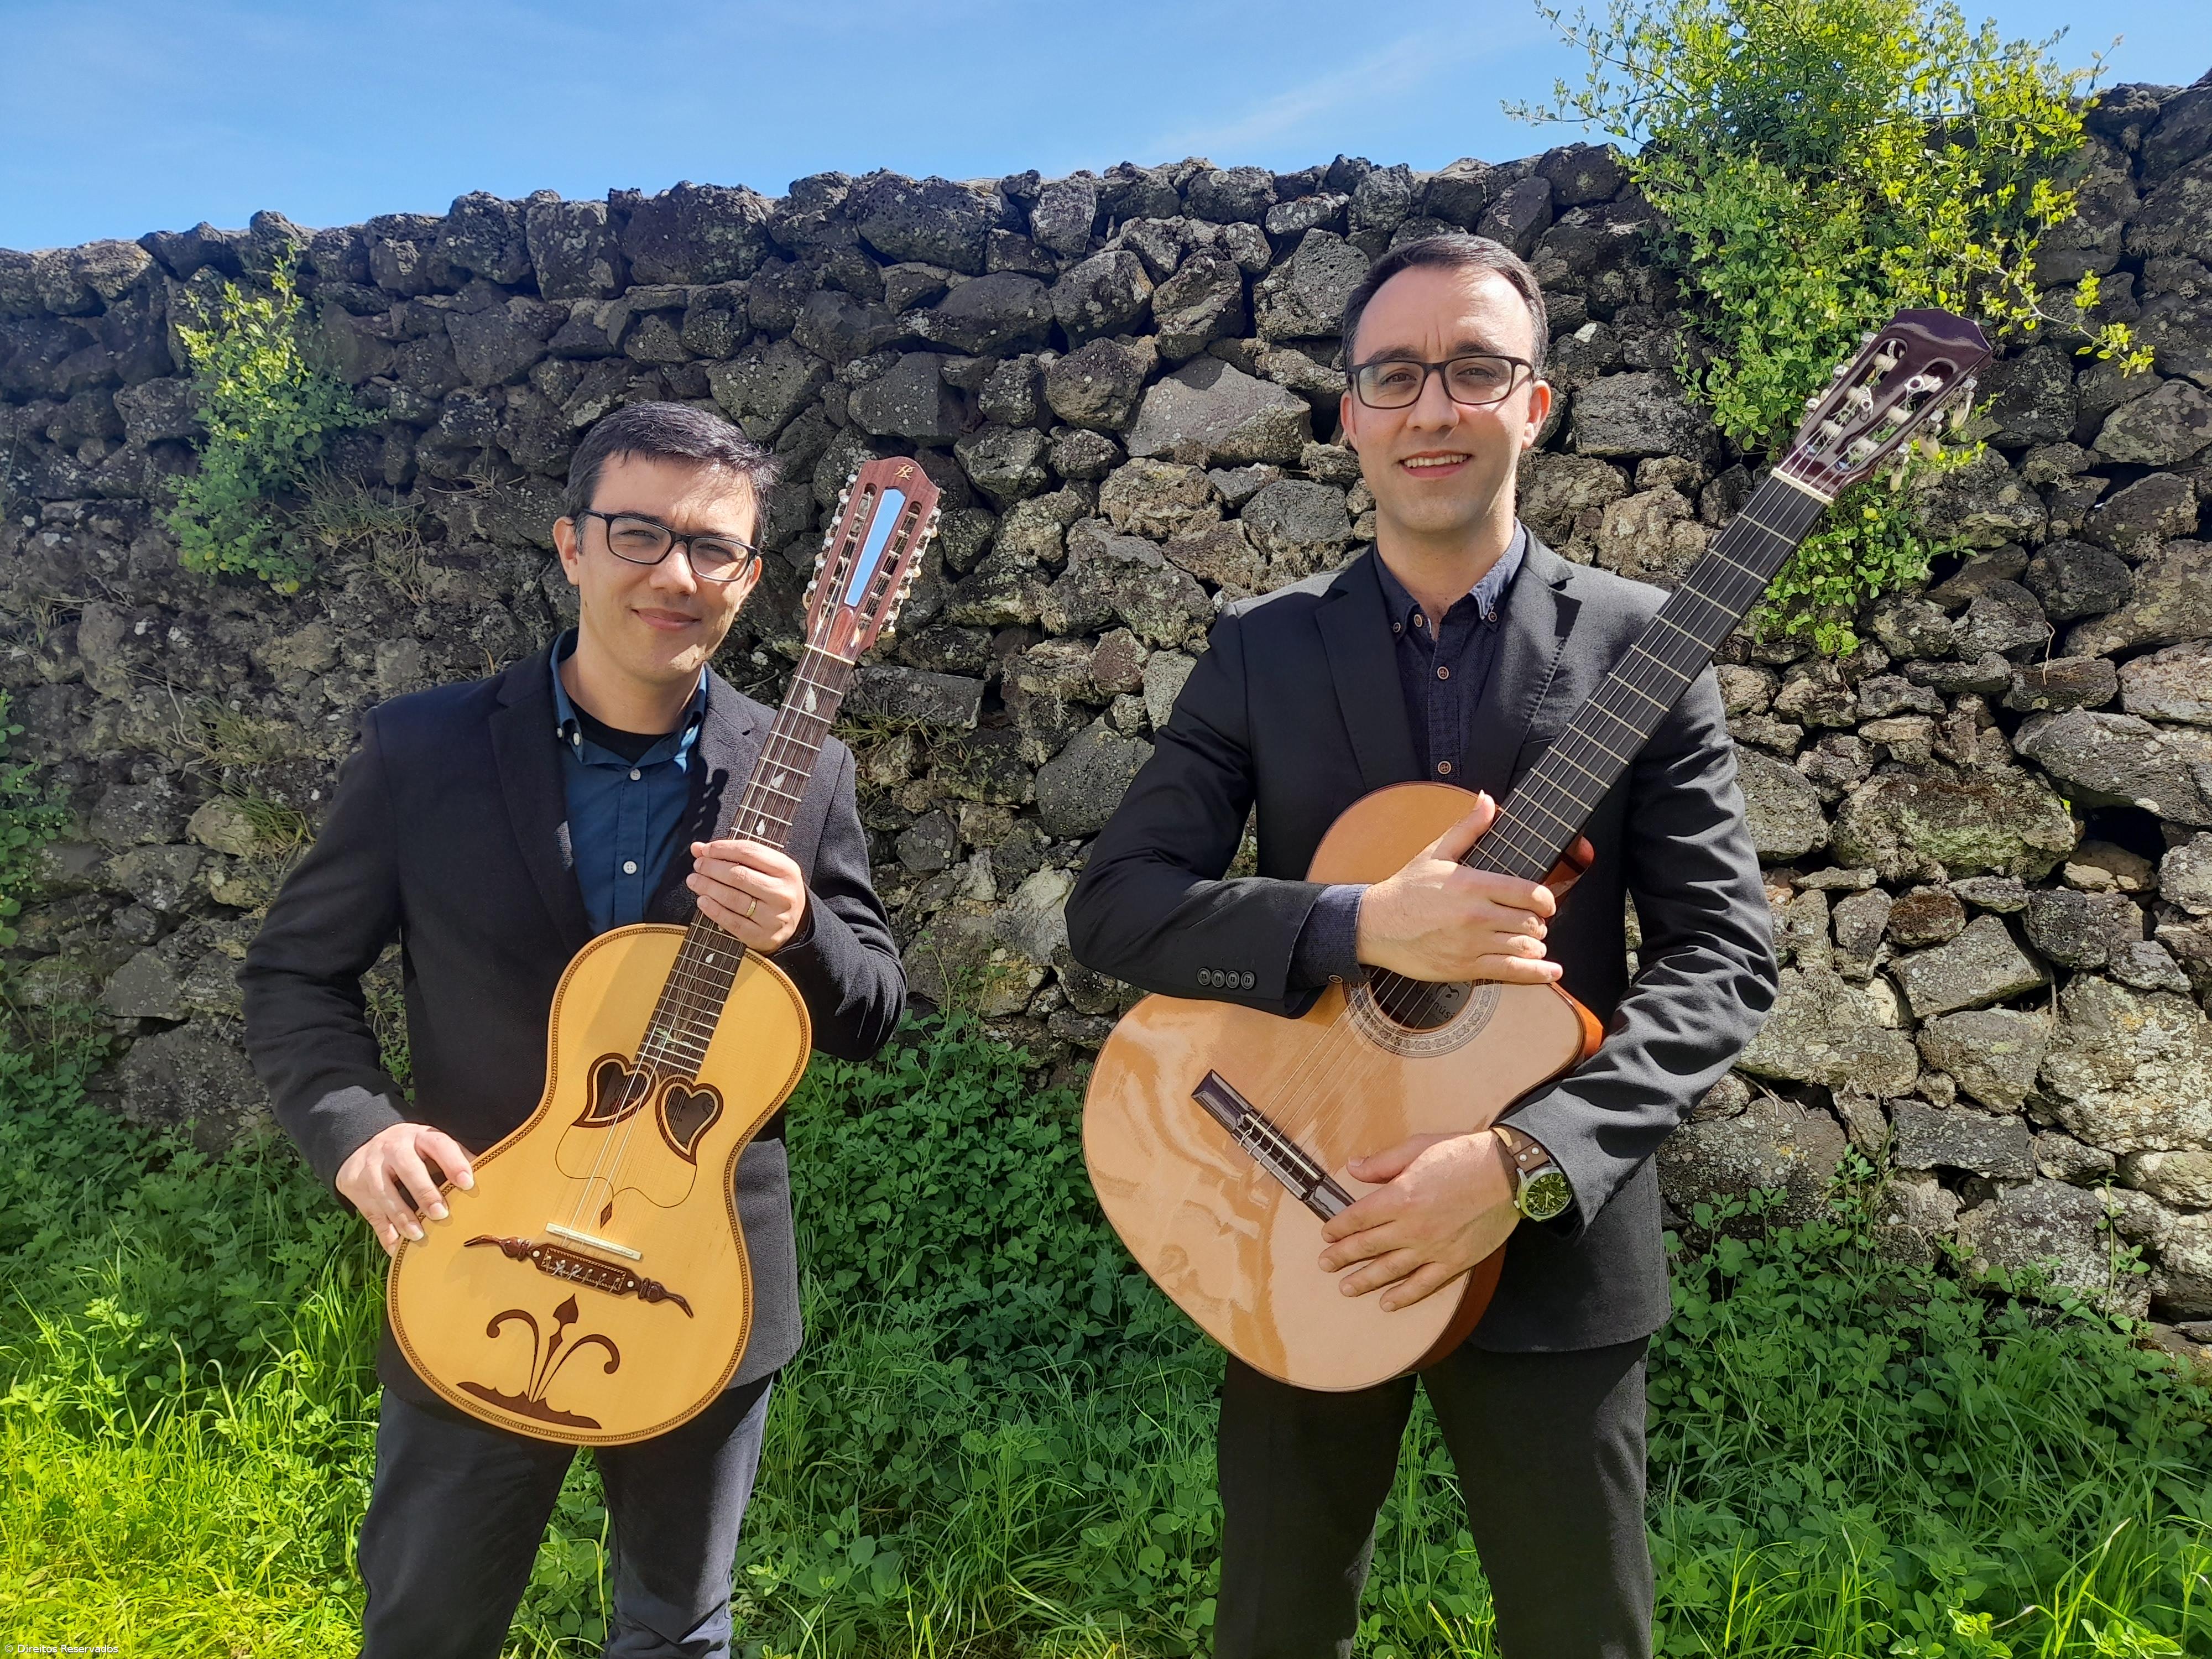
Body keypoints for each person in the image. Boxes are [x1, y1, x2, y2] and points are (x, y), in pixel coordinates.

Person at [1064, 234, 1778, 1659]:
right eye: (1393, 376)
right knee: (1275, 1617)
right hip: (1296, 1194)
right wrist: (1357, 922)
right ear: (1349, 415)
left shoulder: (1644, 644)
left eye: (1473, 370)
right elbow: (1117, 903)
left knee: (1579, 1629)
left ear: (1535, 403)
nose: (1431, 408)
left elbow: (1720, 957)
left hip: (1553, 1244)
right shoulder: (1263, 649)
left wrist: (1524, 1165)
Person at [242, 400, 905, 1659]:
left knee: (676, 1629)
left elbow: (872, 1010)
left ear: (754, 576)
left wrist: (801, 929)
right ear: (572, 545)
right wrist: (357, 1131)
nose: (675, 575)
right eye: (638, 533)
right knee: (427, 1623)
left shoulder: (804, 770)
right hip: (476, 1249)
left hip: (702, 1277)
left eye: (712, 547)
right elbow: (293, 975)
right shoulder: (423, 748)